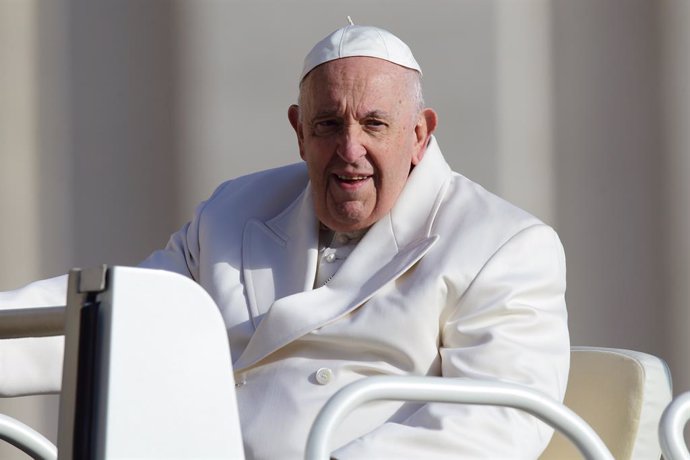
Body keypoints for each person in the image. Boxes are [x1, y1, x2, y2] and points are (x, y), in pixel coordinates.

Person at [0, 23, 569, 459]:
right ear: (298, 130)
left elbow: (497, 421)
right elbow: (125, 318)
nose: (350, 149)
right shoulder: (235, 210)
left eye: (374, 124)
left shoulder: (503, 244)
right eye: (328, 125)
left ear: (419, 135)